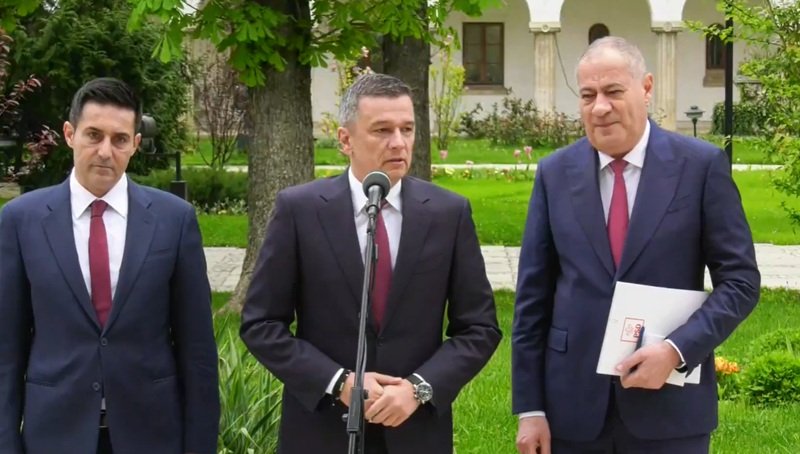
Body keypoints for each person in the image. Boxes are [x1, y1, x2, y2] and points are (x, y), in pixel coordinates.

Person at [512, 37, 760, 453]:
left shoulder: (700, 167)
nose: (600, 107)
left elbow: (740, 282)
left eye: (613, 92)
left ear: (646, 88)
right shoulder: (555, 173)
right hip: (570, 409)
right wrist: (530, 408)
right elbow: (532, 299)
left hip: (669, 412)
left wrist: (678, 349)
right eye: (588, 95)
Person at [240, 72, 502, 453]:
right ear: (345, 140)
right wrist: (338, 382)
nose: (399, 143)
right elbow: (261, 323)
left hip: (415, 431)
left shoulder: (448, 214)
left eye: (407, 129)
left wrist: (419, 388)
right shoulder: (300, 210)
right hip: (322, 432)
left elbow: (479, 328)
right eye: (382, 130)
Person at [0, 77, 220, 454]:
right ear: (70, 134)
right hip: (54, 435)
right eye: (93, 135)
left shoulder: (173, 220)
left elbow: (197, 350)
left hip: (150, 435)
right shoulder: (22, 220)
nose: (105, 151)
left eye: (119, 139)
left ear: (135, 144)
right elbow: (6, 350)